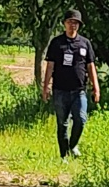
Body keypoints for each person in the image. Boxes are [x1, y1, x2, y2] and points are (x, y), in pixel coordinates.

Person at [42, 9, 100, 160]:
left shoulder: (85, 43)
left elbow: (91, 66)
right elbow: (50, 66)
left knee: (81, 120)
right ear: (64, 24)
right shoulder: (57, 43)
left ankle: (73, 145)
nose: (72, 25)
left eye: (75, 23)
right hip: (60, 90)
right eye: (69, 22)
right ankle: (63, 156)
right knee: (62, 124)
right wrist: (46, 87)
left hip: (79, 90)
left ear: (79, 25)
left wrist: (96, 87)